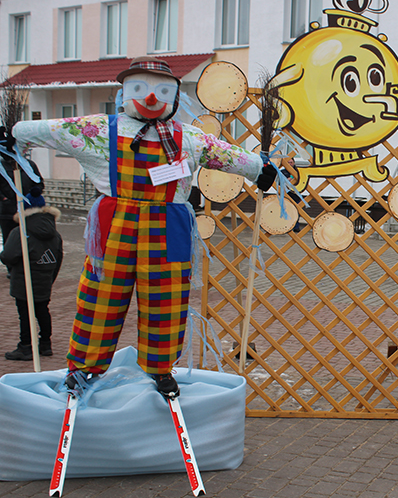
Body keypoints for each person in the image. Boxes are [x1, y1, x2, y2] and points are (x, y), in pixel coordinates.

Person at [2, 56, 284, 396]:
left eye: (162, 91)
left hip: (168, 228)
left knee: (166, 300)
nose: (151, 98)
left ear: (174, 96)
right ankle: (85, 366)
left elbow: (223, 153)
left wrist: (257, 168)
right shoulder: (100, 130)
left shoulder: (188, 138)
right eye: (140, 88)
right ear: (124, 93)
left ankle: (160, 367)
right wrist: (16, 135)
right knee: (101, 296)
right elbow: (55, 130)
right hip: (114, 225)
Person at [0, 186, 63, 360]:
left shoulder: (21, 231)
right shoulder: (55, 233)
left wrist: (11, 264)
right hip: (45, 278)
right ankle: (45, 344)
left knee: (25, 313)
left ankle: (26, 346)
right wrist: (50, 275)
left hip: (23, 279)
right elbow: (58, 257)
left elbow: (8, 255)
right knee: (42, 310)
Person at [0, 157, 44, 275]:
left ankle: (29, 266)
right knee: (10, 239)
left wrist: (35, 193)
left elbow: (39, 182)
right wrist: (4, 198)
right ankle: (12, 269)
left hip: (29, 210)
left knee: (30, 239)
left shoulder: (29, 164)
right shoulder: (1, 165)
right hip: (8, 211)